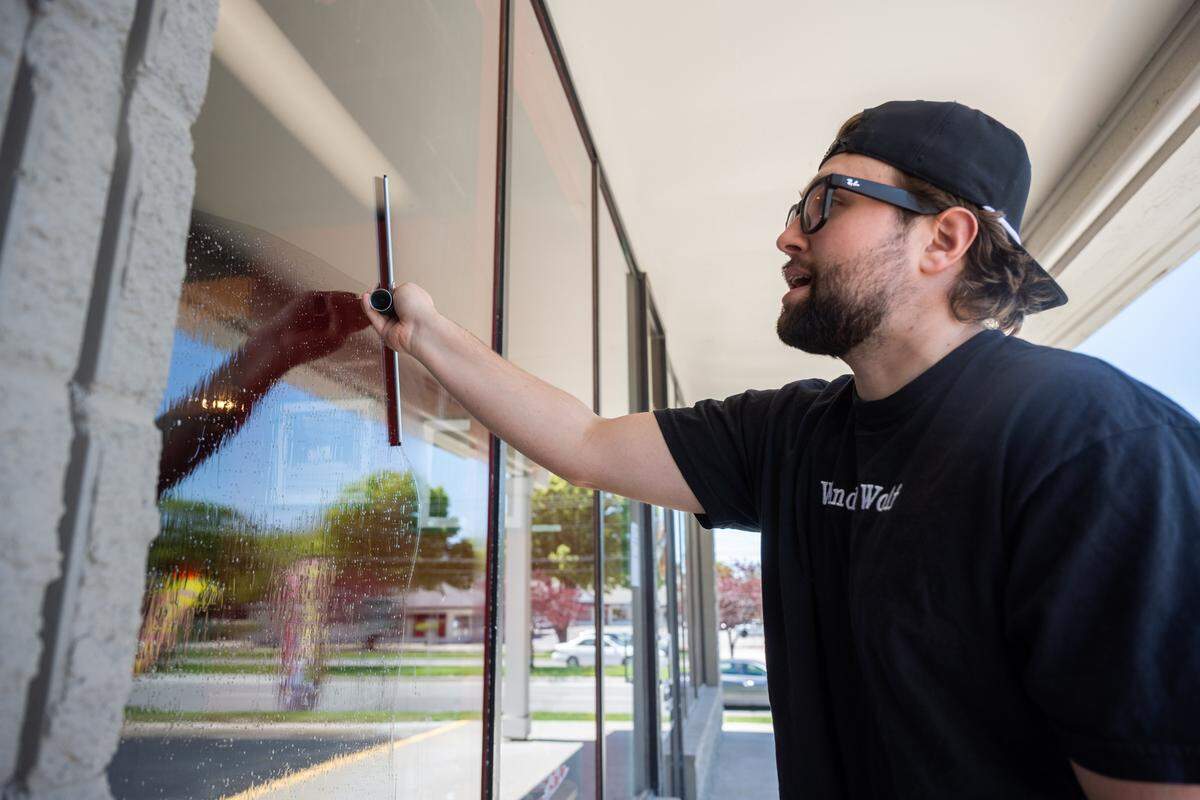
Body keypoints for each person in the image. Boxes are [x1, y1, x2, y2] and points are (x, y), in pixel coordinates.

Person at [360, 100, 1200, 798]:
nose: (789, 237)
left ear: (944, 241)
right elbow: (583, 445)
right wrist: (425, 333)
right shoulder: (794, 432)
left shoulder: (1097, 449)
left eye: (826, 202)